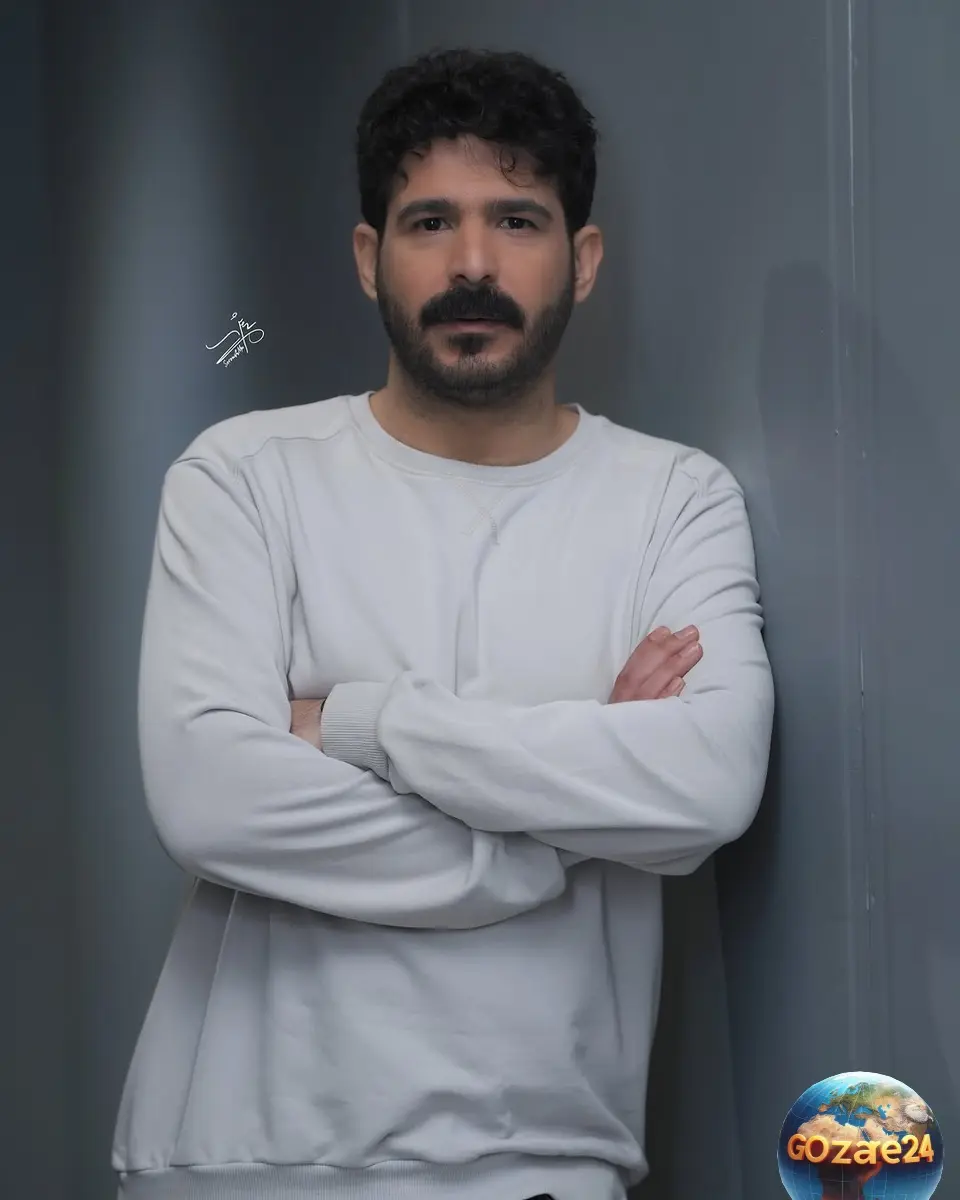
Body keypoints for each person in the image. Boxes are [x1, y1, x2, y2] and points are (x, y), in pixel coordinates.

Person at [112, 46, 774, 1200]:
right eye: (430, 223)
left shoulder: (675, 499)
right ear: (370, 257)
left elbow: (708, 784)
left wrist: (359, 723)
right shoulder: (245, 478)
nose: (473, 263)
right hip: (239, 1159)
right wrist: (567, 820)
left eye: (517, 220)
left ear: (583, 259)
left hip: (544, 1158)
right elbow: (210, 797)